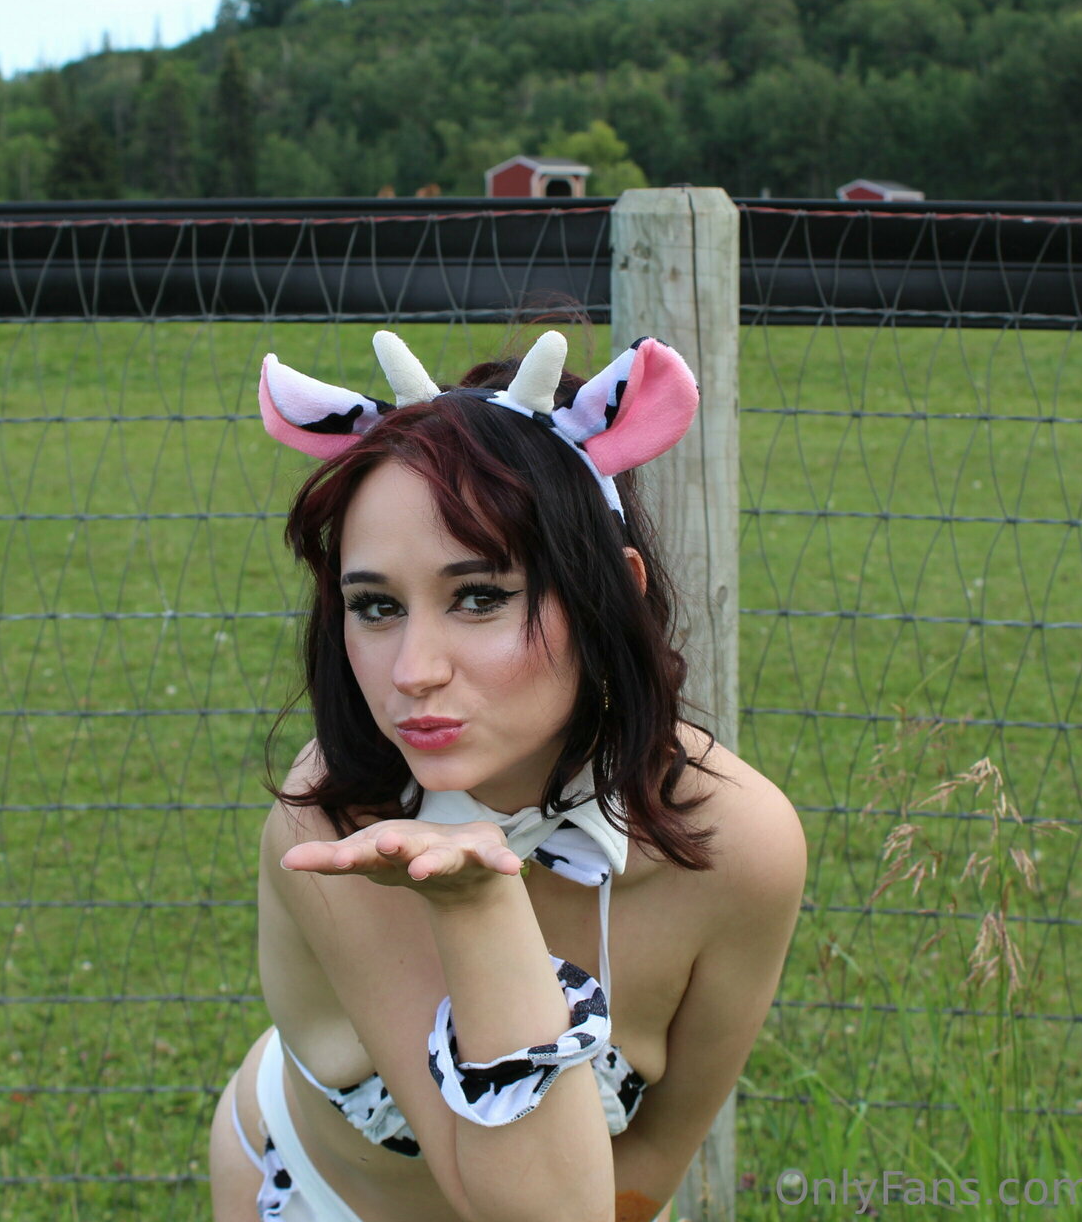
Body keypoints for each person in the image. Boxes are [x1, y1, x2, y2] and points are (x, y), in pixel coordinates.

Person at [209, 328, 806, 1222]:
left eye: (480, 596)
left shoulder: (741, 848)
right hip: (314, 1195)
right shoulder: (337, 825)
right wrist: (476, 905)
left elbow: (646, 1168)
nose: (414, 670)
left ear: (612, 592)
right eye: (376, 605)